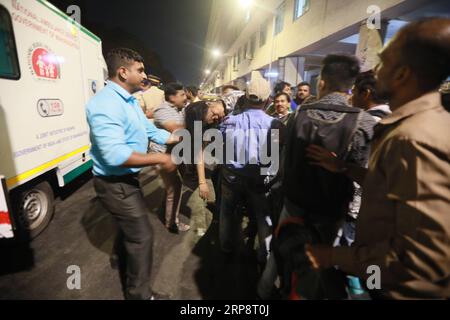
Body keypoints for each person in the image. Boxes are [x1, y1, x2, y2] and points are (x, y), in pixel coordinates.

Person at [306, 17, 450, 300]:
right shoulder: (417, 126)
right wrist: (345, 168)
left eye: (383, 62)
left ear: (402, 75)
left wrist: (334, 255)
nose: (374, 70)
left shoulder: (413, 139)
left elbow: (424, 259)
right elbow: (395, 192)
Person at [258, 54, 376, 300]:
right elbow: (362, 174)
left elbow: (285, 158)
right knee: (316, 263)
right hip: (331, 212)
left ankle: (264, 291)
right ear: (351, 86)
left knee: (280, 251)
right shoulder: (363, 121)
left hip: (293, 205)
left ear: (321, 82)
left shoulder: (299, 113)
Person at [86, 48, 178, 300]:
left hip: (127, 180)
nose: (145, 75)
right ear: (123, 72)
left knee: (129, 228)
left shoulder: (129, 100)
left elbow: (149, 130)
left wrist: (175, 137)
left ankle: (121, 258)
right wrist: (160, 157)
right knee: (142, 237)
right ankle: (139, 295)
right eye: (140, 70)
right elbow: (115, 155)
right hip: (113, 183)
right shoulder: (104, 103)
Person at [219, 75, 283, 264]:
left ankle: (225, 246)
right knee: (263, 218)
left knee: (227, 213)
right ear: (268, 100)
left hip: (231, 177)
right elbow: (277, 153)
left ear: (245, 98)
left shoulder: (229, 121)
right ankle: (264, 256)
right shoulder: (275, 124)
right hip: (259, 179)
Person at [181, 100, 226, 237]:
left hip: (213, 165)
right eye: (213, 115)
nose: (215, 118)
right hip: (204, 166)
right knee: (205, 197)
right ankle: (203, 231)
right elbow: (198, 153)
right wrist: (202, 182)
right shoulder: (200, 123)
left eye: (216, 115)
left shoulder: (214, 115)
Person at [153, 83, 190, 233]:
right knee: (175, 187)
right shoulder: (162, 110)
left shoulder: (180, 109)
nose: (185, 97)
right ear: (172, 97)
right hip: (162, 155)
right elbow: (177, 129)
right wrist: (196, 123)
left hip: (173, 154)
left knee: (173, 186)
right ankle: (172, 223)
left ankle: (164, 212)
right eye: (181, 95)